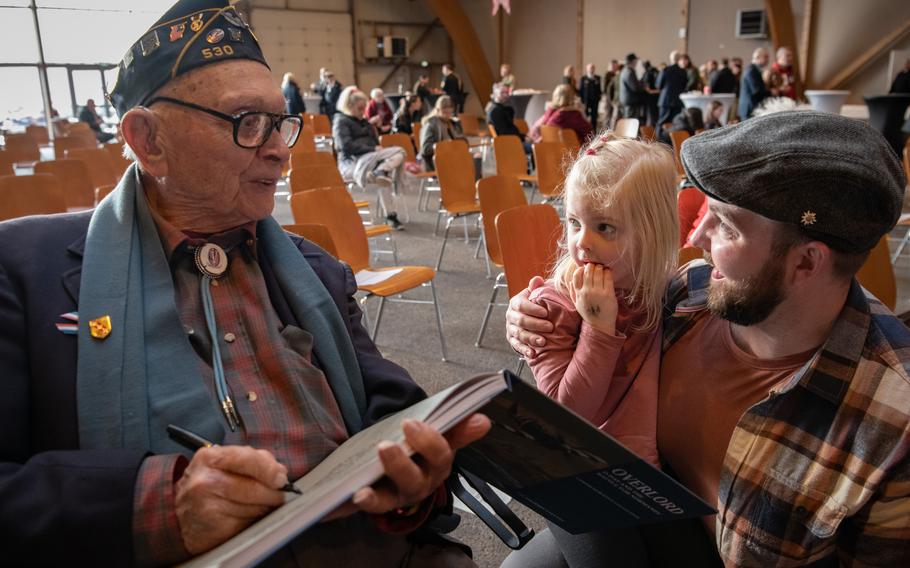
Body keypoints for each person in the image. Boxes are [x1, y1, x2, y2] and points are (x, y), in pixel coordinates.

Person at [1, 2, 492, 566]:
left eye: (281, 122)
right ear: (148, 139)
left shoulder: (310, 267)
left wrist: (409, 483)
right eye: (246, 122)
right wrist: (159, 506)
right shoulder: (24, 272)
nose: (281, 149)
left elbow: (387, 402)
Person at [504, 110, 909, 566]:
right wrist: (529, 318)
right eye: (704, 212)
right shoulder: (690, 292)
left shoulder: (891, 425)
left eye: (727, 226)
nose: (695, 237)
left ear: (806, 263)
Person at [527, 133, 677, 469]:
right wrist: (597, 326)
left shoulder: (659, 288)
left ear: (653, 232)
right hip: (591, 472)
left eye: (605, 227)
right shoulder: (553, 309)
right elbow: (565, 419)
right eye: (574, 222)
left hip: (651, 469)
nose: (581, 242)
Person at [333, 86, 407, 229]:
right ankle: (381, 171)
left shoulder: (365, 122)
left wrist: (375, 129)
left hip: (371, 161)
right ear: (349, 106)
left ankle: (390, 214)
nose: (363, 112)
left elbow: (375, 143)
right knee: (399, 152)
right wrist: (372, 149)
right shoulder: (340, 121)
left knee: (393, 161)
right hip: (351, 163)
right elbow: (345, 146)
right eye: (360, 108)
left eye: (364, 108)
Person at [419, 95, 464, 170]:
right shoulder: (430, 124)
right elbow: (425, 148)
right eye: (444, 111)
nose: (447, 115)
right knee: (466, 164)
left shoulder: (453, 123)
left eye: (450, 111)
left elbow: (462, 141)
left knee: (475, 158)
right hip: (436, 161)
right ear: (438, 110)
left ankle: (471, 181)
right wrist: (444, 145)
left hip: (452, 156)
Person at [486, 83, 531, 155]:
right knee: (537, 148)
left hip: (511, 140)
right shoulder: (496, 111)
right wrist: (523, 138)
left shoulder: (498, 108)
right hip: (510, 143)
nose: (506, 95)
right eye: (502, 93)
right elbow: (506, 133)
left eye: (507, 93)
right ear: (495, 94)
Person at [656, 50, 688, 126]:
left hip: (665, 101)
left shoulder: (665, 70)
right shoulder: (683, 71)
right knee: (675, 123)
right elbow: (684, 86)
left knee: (661, 122)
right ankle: (672, 138)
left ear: (671, 59)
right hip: (677, 101)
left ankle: (658, 137)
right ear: (679, 59)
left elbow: (658, 85)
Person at [738, 47, 770, 119]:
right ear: (757, 57)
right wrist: (771, 92)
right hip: (749, 109)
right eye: (765, 57)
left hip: (751, 108)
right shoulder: (751, 71)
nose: (767, 60)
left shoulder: (754, 70)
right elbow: (756, 91)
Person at [619, 53, 646, 121]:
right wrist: (643, 86)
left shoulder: (625, 70)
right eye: (636, 61)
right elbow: (635, 88)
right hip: (631, 102)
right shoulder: (629, 72)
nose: (636, 63)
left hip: (628, 101)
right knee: (631, 122)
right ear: (633, 61)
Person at [579, 63, 602, 129]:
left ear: (594, 69)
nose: (591, 69)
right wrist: (582, 101)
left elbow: (599, 89)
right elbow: (581, 90)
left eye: (592, 68)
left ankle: (593, 131)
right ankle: (585, 130)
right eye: (590, 68)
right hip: (586, 101)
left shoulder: (598, 78)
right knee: (585, 116)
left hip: (595, 101)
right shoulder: (583, 78)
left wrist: (599, 97)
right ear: (587, 69)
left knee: (594, 117)